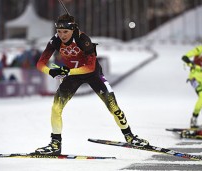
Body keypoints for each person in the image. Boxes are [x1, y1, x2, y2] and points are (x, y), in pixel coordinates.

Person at [34, 14, 149, 155]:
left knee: (113, 107)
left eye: (65, 32)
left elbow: (89, 67)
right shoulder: (55, 40)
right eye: (59, 31)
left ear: (73, 29)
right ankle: (55, 144)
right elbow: (40, 63)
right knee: (56, 108)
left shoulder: (83, 40)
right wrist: (51, 71)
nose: (62, 35)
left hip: (93, 75)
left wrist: (67, 71)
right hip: (72, 76)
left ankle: (130, 137)